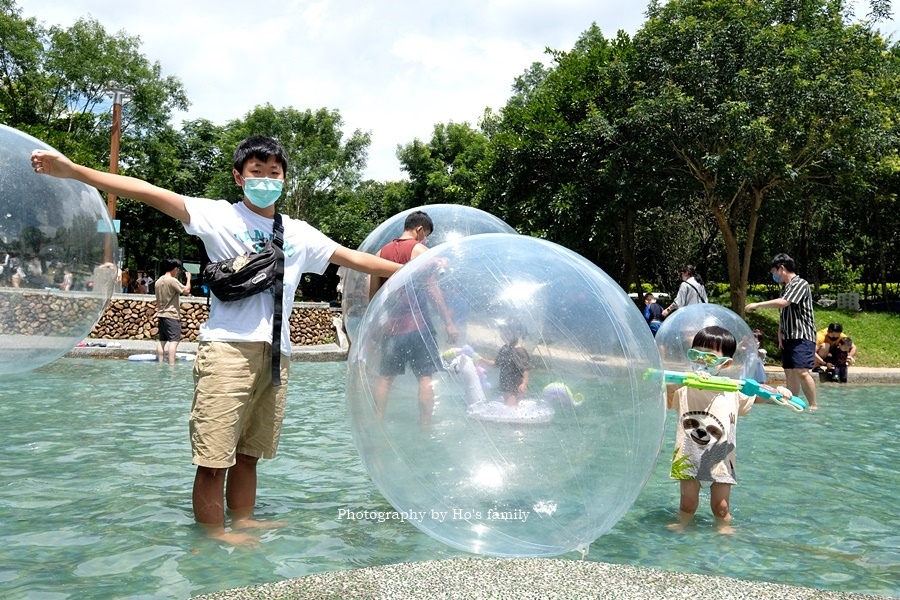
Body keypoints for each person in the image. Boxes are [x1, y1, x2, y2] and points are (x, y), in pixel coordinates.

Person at [31, 135, 401, 547]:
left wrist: (413, 265)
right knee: (213, 458)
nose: (265, 179)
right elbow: (149, 191)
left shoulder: (299, 233)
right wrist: (74, 171)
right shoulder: (218, 216)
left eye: (273, 173)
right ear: (238, 177)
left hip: (278, 354)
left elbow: (355, 258)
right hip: (227, 350)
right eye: (256, 172)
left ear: (284, 179)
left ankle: (242, 521)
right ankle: (212, 536)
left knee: (249, 454)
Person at [667, 325, 792, 534]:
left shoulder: (732, 389)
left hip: (721, 457)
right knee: (688, 503)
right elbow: (662, 393)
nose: (700, 360)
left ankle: (724, 529)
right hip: (688, 455)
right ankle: (683, 523)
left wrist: (778, 394)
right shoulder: (683, 386)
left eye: (708, 357)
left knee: (721, 506)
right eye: (695, 354)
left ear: (724, 363)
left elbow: (757, 396)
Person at [368, 211, 456, 427]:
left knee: (385, 378)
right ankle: (425, 427)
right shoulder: (420, 251)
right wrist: (448, 322)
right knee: (425, 377)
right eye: (425, 234)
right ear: (419, 229)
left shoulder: (381, 252)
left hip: (391, 327)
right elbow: (433, 289)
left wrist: (377, 324)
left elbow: (373, 294)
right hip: (419, 325)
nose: (424, 239)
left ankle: (378, 421)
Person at [745, 253, 818, 410]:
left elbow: (784, 303)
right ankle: (792, 402)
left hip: (802, 335)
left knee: (802, 371)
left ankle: (813, 406)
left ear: (782, 268)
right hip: (788, 336)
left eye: (774, 272)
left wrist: (757, 305)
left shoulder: (800, 284)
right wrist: (780, 332)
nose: (773, 275)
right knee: (789, 371)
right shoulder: (786, 287)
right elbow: (784, 311)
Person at [155, 258, 192, 364]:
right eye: (178, 269)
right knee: (174, 342)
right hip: (171, 315)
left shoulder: (158, 281)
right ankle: (172, 365)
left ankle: (160, 363)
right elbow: (186, 290)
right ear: (175, 268)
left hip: (161, 314)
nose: (178, 271)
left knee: (162, 341)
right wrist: (189, 278)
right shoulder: (172, 280)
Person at [490, 317, 530, 406]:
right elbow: (496, 363)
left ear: (517, 333)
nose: (504, 335)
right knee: (509, 407)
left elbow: (525, 369)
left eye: (508, 332)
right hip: (507, 385)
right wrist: (480, 359)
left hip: (515, 387)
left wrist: (524, 383)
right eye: (502, 332)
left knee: (510, 409)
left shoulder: (519, 351)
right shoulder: (505, 348)